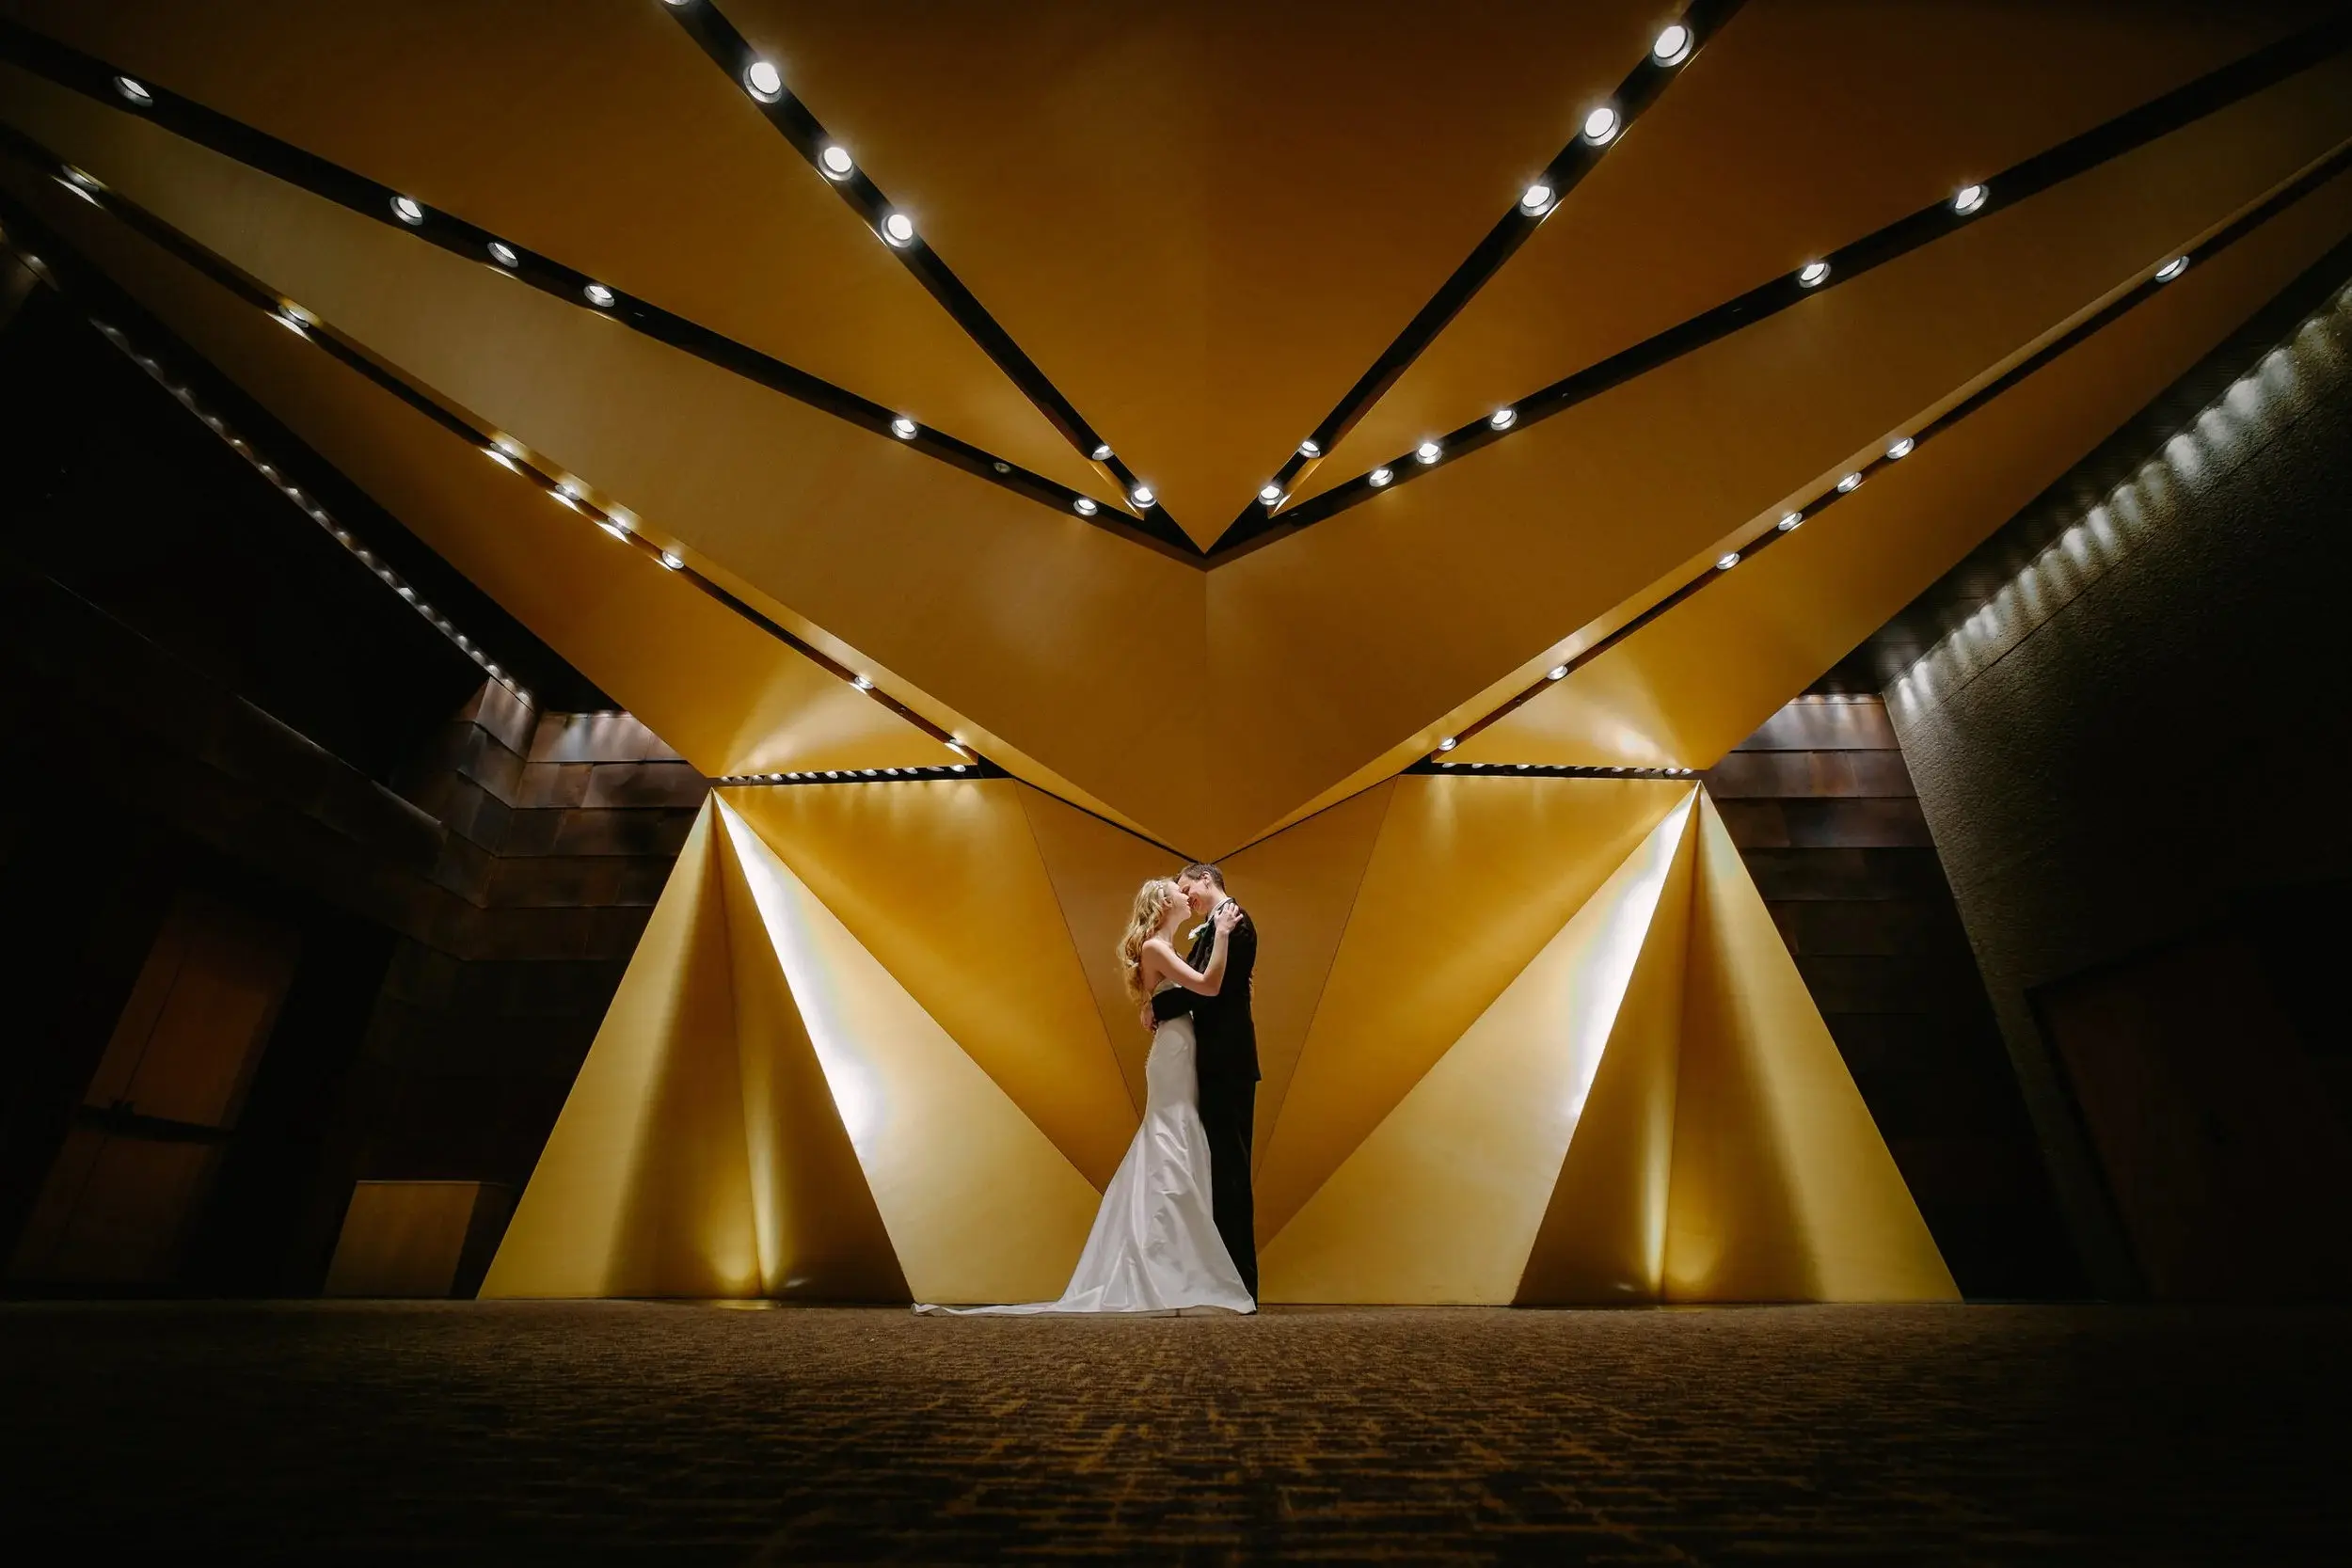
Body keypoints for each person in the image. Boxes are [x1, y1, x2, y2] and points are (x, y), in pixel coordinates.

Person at [916, 879, 1253, 1315]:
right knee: (1170, 1135)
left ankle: (1176, 1260)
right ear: (1163, 902)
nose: (1186, 894)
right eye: (1177, 889)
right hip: (1174, 1054)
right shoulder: (1156, 948)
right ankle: (1166, 1264)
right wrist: (1222, 934)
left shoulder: (1168, 949)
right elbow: (1207, 987)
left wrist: (1156, 1004)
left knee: (1180, 1137)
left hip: (1183, 1050)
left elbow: (1186, 993)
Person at [1150, 863, 1260, 1301]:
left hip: (1228, 1062)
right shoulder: (1213, 928)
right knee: (1216, 1171)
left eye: (1186, 886)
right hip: (1210, 1062)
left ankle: (1241, 1286)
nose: (1184, 895)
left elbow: (1207, 992)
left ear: (1206, 880)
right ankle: (1219, 1280)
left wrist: (1155, 1005)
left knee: (1231, 1174)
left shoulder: (1237, 923)